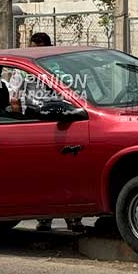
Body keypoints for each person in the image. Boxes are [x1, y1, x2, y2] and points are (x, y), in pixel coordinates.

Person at [22, 32, 86, 233]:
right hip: (36, 128)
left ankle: (72, 218)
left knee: (66, 175)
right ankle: (45, 219)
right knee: (43, 177)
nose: (30, 51)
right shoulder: (27, 71)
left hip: (61, 126)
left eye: (34, 47)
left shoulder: (58, 69)